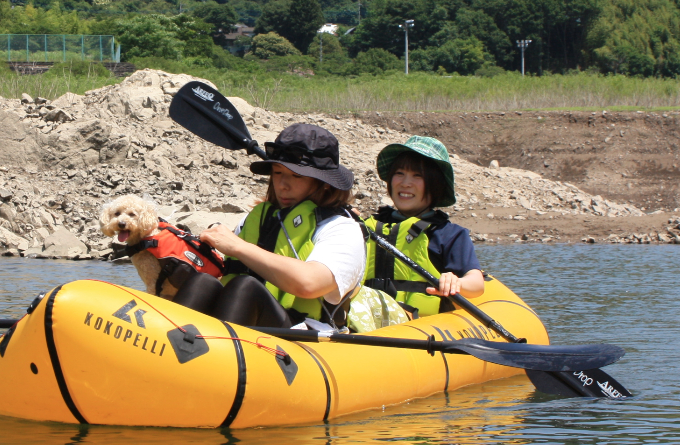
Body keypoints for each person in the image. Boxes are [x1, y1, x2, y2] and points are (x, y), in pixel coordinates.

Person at [174, 123, 365, 329]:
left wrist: (238, 246)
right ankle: (176, 340)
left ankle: (209, 345)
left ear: (325, 183)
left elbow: (309, 283)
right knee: (202, 282)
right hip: (245, 324)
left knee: (245, 288)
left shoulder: (342, 229)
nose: (282, 185)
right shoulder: (258, 217)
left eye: (297, 176)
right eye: (277, 172)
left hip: (304, 334)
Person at [362, 135, 484, 319]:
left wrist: (455, 282)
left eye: (417, 176)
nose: (405, 183)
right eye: (399, 173)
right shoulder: (366, 227)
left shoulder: (448, 234)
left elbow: (476, 284)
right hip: (367, 325)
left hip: (423, 327)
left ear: (435, 185)